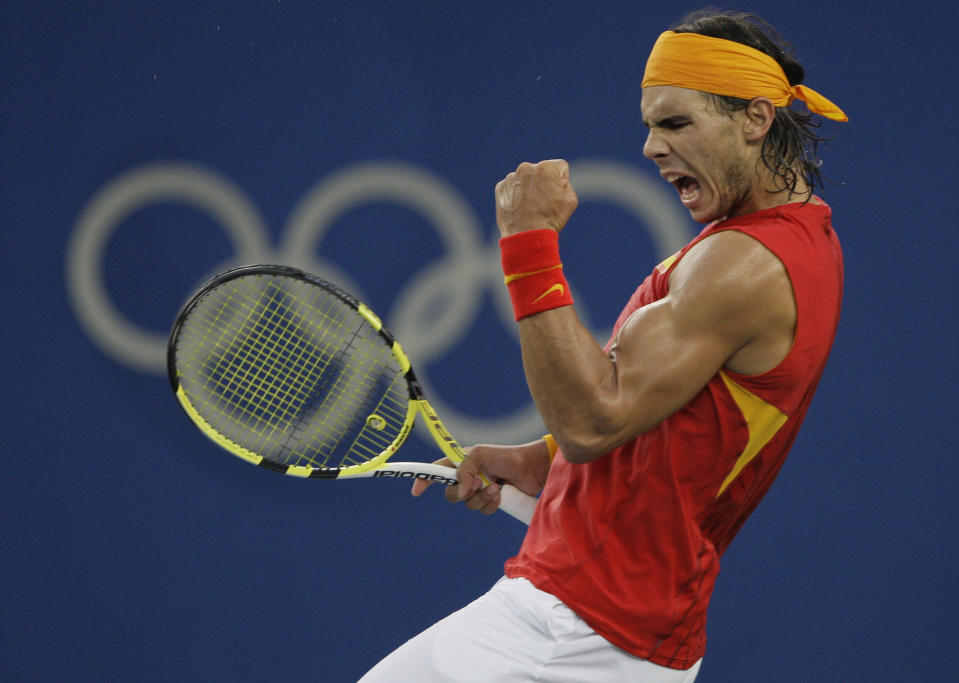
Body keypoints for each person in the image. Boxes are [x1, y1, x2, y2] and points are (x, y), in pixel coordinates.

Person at [360, 9, 847, 682]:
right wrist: (544, 462)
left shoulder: (745, 264)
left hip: (580, 629)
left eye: (675, 123)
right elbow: (665, 422)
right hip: (601, 626)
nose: (650, 146)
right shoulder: (776, 241)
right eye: (649, 124)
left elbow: (593, 420)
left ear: (756, 118)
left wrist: (527, 240)